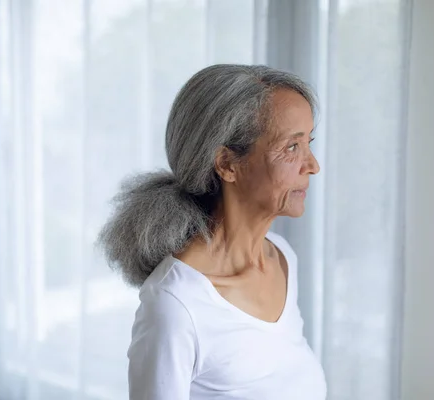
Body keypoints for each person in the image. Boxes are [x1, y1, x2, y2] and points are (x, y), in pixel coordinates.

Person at [98, 64, 326, 400]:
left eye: (308, 142)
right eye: (291, 147)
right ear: (227, 164)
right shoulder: (175, 304)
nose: (313, 165)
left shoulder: (282, 259)